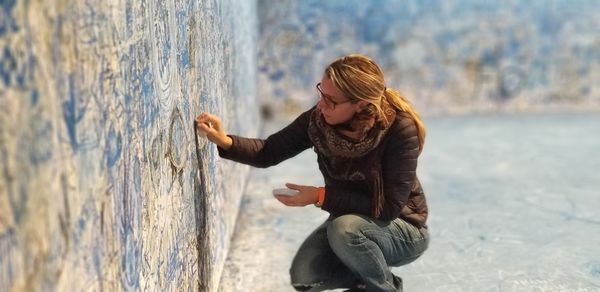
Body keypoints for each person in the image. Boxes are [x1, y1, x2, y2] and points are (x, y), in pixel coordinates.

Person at [196, 54, 429, 292]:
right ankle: (371, 281)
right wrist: (224, 140)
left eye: (331, 100)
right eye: (321, 93)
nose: (321, 105)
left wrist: (320, 196)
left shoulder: (399, 128)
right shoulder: (319, 121)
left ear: (360, 104)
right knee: (306, 277)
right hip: (350, 220)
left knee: (345, 230)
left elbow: (388, 208)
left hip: (402, 227)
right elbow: (269, 151)